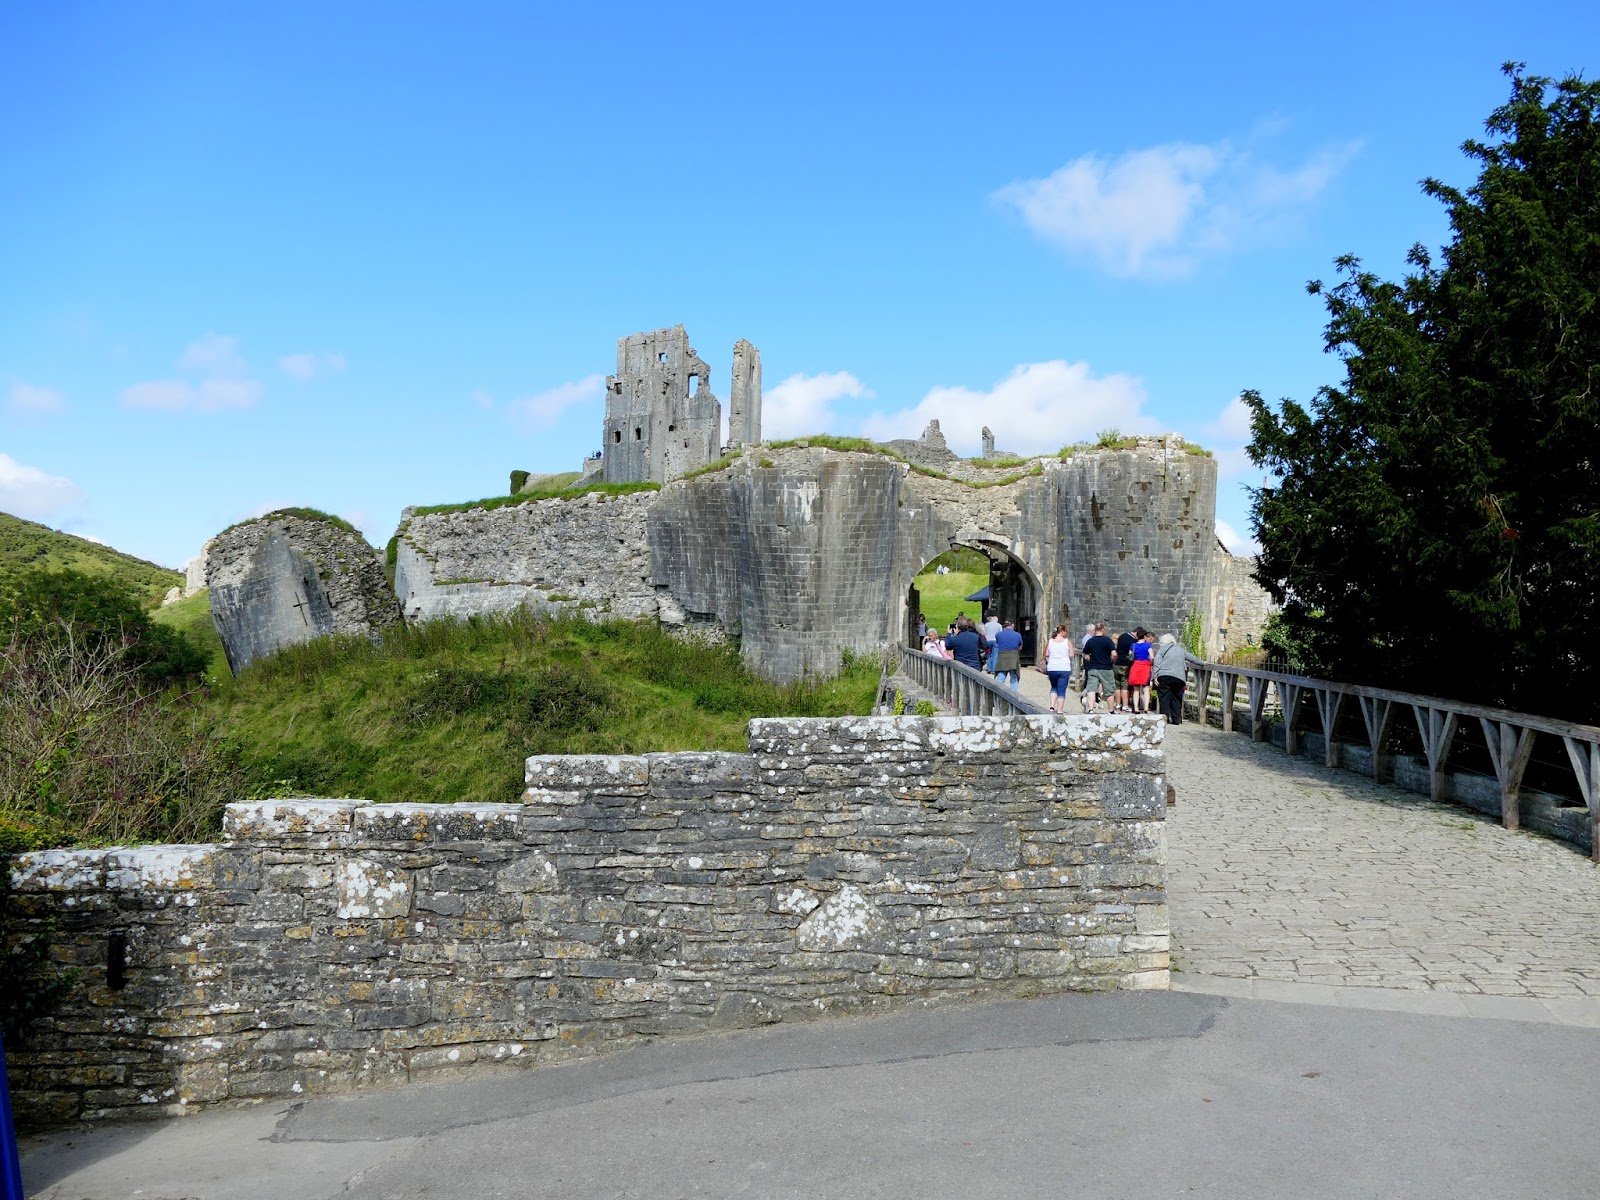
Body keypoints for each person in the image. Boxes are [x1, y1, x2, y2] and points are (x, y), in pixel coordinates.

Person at [1082, 622, 1116, 713]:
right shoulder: (1108, 640)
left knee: (1091, 689)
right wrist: (1112, 660)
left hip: (1093, 667)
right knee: (1109, 689)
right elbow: (1114, 654)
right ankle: (1111, 711)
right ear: (1103, 630)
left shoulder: (1090, 641)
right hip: (1106, 667)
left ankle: (1091, 709)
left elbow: (1085, 655)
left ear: (1095, 630)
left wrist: (1090, 659)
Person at [1154, 632, 1188, 725]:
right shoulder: (1181, 650)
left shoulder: (1162, 650)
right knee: (1176, 698)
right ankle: (1176, 718)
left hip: (1164, 675)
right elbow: (1191, 658)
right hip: (1179, 677)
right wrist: (1202, 663)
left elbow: (1157, 663)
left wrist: (1155, 676)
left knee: (1164, 697)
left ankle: (1164, 718)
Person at [1043, 624, 1075, 713]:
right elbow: (1072, 654)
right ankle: (1060, 709)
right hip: (1064, 667)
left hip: (1052, 667)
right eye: (1066, 631)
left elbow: (1046, 654)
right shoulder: (1067, 642)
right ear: (1062, 631)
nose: (1066, 633)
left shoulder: (1050, 641)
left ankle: (1052, 706)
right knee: (1061, 689)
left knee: (1054, 687)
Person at [1128, 629, 1155, 714]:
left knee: (1136, 689)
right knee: (1146, 689)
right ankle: (1146, 708)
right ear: (1144, 636)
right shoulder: (1148, 645)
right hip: (1145, 667)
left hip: (1135, 666)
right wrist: (1150, 663)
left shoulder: (1133, 645)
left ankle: (1136, 708)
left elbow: (1130, 655)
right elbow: (1152, 657)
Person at [993, 619, 1023, 689]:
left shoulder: (998, 635)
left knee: (1000, 678)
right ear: (1012, 625)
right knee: (1014, 679)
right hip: (1013, 657)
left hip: (1002, 657)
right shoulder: (1017, 635)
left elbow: (998, 643)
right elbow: (1020, 647)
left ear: (1004, 626)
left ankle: (999, 694)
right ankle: (1013, 696)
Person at [1113, 627, 1136, 713]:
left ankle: (1118, 703)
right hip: (1124, 664)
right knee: (1124, 685)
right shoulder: (1133, 641)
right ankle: (1125, 705)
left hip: (1117, 663)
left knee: (1117, 685)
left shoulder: (1122, 636)